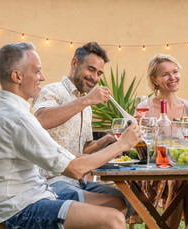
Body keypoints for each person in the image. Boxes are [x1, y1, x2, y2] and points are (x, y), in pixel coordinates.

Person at [0, 42, 141, 229]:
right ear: (17, 76)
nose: (42, 77)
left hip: (34, 196)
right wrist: (123, 144)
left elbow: (69, 158)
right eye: (37, 71)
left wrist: (106, 143)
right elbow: (75, 168)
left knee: (119, 206)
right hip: (22, 210)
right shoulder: (18, 118)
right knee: (113, 220)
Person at [32, 42, 134, 219]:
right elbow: (40, 120)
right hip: (51, 182)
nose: (94, 78)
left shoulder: (87, 106)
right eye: (90, 69)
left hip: (78, 181)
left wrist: (108, 140)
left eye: (99, 73)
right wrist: (86, 101)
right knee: (113, 207)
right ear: (74, 63)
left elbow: (85, 150)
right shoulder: (52, 91)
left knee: (129, 203)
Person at [135, 54, 188, 229]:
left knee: (187, 179)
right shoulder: (145, 107)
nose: (172, 78)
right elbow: (139, 145)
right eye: (165, 74)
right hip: (154, 171)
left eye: (175, 72)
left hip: (185, 170)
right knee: (181, 180)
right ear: (154, 79)